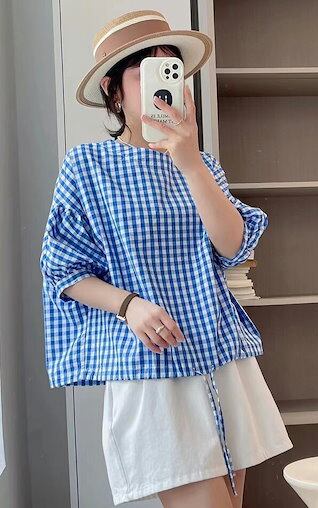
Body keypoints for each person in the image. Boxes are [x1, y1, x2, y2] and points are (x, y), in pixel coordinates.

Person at [39, 9, 294, 508]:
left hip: (221, 357)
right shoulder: (87, 166)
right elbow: (63, 269)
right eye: (145, 72)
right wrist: (129, 305)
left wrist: (190, 160)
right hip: (153, 367)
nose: (162, 85)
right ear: (114, 90)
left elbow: (234, 245)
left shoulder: (201, 164)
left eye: (171, 69)